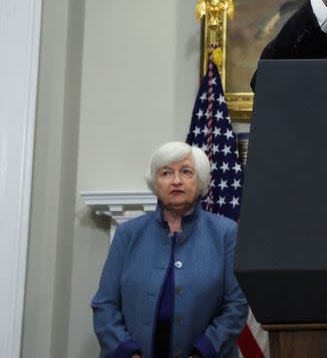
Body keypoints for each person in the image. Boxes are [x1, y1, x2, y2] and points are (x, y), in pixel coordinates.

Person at [91, 142, 248, 358]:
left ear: (200, 181)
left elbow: (236, 306)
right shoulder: (128, 233)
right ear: (155, 184)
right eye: (166, 173)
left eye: (186, 172)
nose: (176, 180)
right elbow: (105, 304)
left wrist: (202, 353)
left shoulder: (225, 233)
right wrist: (127, 353)